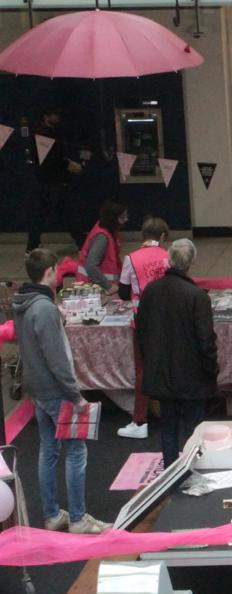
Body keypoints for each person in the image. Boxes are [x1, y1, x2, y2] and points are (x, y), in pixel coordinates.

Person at [13, 249, 111, 534]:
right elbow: (56, 358)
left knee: (48, 450)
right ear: (49, 271)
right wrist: (75, 395)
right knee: (76, 451)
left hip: (38, 389)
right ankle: (79, 519)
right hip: (56, 391)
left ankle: (52, 514)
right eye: (57, 270)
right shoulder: (43, 308)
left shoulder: (25, 303)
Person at [136, 239, 218, 467]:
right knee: (194, 430)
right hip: (192, 376)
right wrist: (212, 370)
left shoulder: (151, 291)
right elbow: (206, 339)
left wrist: (150, 361)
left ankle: (171, 472)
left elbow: (141, 330)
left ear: (169, 260)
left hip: (161, 373)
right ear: (191, 262)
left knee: (168, 427)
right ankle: (194, 468)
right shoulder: (197, 296)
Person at [116, 216, 170, 439]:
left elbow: (122, 292)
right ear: (163, 236)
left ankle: (140, 421)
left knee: (142, 371)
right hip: (168, 320)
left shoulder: (131, 258)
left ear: (142, 235)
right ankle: (172, 414)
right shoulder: (168, 256)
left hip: (142, 323)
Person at [27, 107, 85, 253]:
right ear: (46, 116)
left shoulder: (50, 133)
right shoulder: (43, 134)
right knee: (55, 212)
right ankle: (32, 245)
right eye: (55, 115)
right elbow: (51, 158)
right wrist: (69, 165)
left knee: (61, 212)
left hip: (53, 180)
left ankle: (33, 245)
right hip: (50, 181)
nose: (58, 118)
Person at [75, 199, 127, 291]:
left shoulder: (108, 232)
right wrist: (109, 286)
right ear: (113, 219)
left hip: (99, 289)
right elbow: (91, 266)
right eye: (122, 217)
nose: (126, 219)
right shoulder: (101, 237)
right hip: (93, 290)